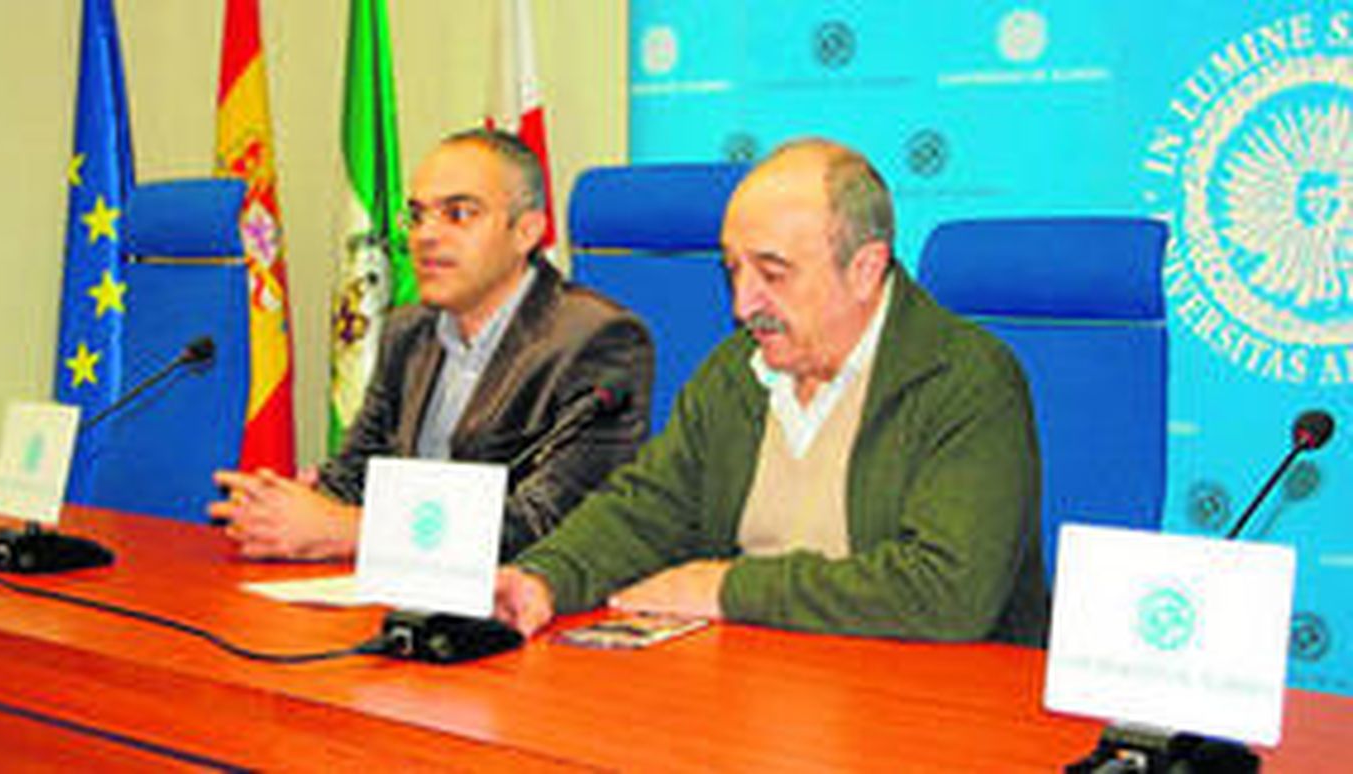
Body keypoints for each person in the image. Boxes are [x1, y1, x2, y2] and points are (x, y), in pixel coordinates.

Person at [495, 138, 1049, 644]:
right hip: (759, 681)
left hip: (931, 701)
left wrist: (728, 590)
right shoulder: (737, 371)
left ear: (864, 269)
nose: (743, 305)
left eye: (772, 273)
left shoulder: (965, 378)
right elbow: (645, 510)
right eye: (734, 270)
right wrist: (544, 577)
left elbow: (947, 593)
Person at [209, 128, 653, 562]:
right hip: (398, 595)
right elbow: (355, 475)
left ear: (527, 231)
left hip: (514, 613)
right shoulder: (408, 331)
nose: (425, 236)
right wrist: (287, 504)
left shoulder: (598, 341)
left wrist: (349, 530)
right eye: (418, 215)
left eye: (459, 214)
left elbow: (546, 524)